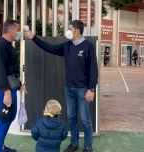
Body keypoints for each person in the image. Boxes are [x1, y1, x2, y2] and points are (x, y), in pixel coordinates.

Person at [25, 20, 98, 152]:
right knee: (71, 117)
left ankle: (88, 146)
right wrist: (34, 38)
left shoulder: (88, 46)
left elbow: (93, 69)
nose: (68, 30)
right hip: (68, 87)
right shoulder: (67, 46)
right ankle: (74, 143)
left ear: (76, 30)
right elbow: (50, 48)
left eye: (70, 28)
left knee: (85, 118)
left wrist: (92, 89)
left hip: (83, 89)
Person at [0, 20, 25, 152]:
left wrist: (19, 85)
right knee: (4, 118)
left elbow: (10, 69)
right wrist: (6, 92)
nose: (19, 32)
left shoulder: (8, 45)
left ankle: (1, 146)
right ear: (10, 30)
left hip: (9, 87)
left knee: (10, 115)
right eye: (18, 29)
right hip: (3, 89)